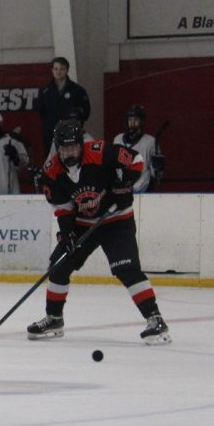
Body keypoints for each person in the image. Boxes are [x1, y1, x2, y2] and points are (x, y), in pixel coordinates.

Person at [26, 120, 170, 345]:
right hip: (84, 224)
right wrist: (67, 233)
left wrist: (124, 184)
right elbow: (63, 209)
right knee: (59, 265)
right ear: (57, 148)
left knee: (126, 268)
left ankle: (155, 319)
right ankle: (54, 318)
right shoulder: (52, 172)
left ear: (81, 145)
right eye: (64, 149)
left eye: (73, 147)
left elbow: (136, 160)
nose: (69, 152)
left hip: (117, 220)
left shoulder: (100, 152)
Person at [34, 56, 90, 161]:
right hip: (51, 135)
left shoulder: (77, 90)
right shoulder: (45, 91)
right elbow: (41, 112)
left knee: (72, 161)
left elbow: (85, 112)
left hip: (71, 136)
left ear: (67, 70)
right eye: (56, 69)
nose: (58, 72)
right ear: (52, 70)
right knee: (52, 162)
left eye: (62, 69)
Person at [111, 105, 159, 193]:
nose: (132, 123)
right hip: (120, 191)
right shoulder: (117, 139)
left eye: (136, 120)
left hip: (141, 193)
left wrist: (158, 167)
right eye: (130, 120)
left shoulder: (150, 142)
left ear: (141, 122)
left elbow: (153, 174)